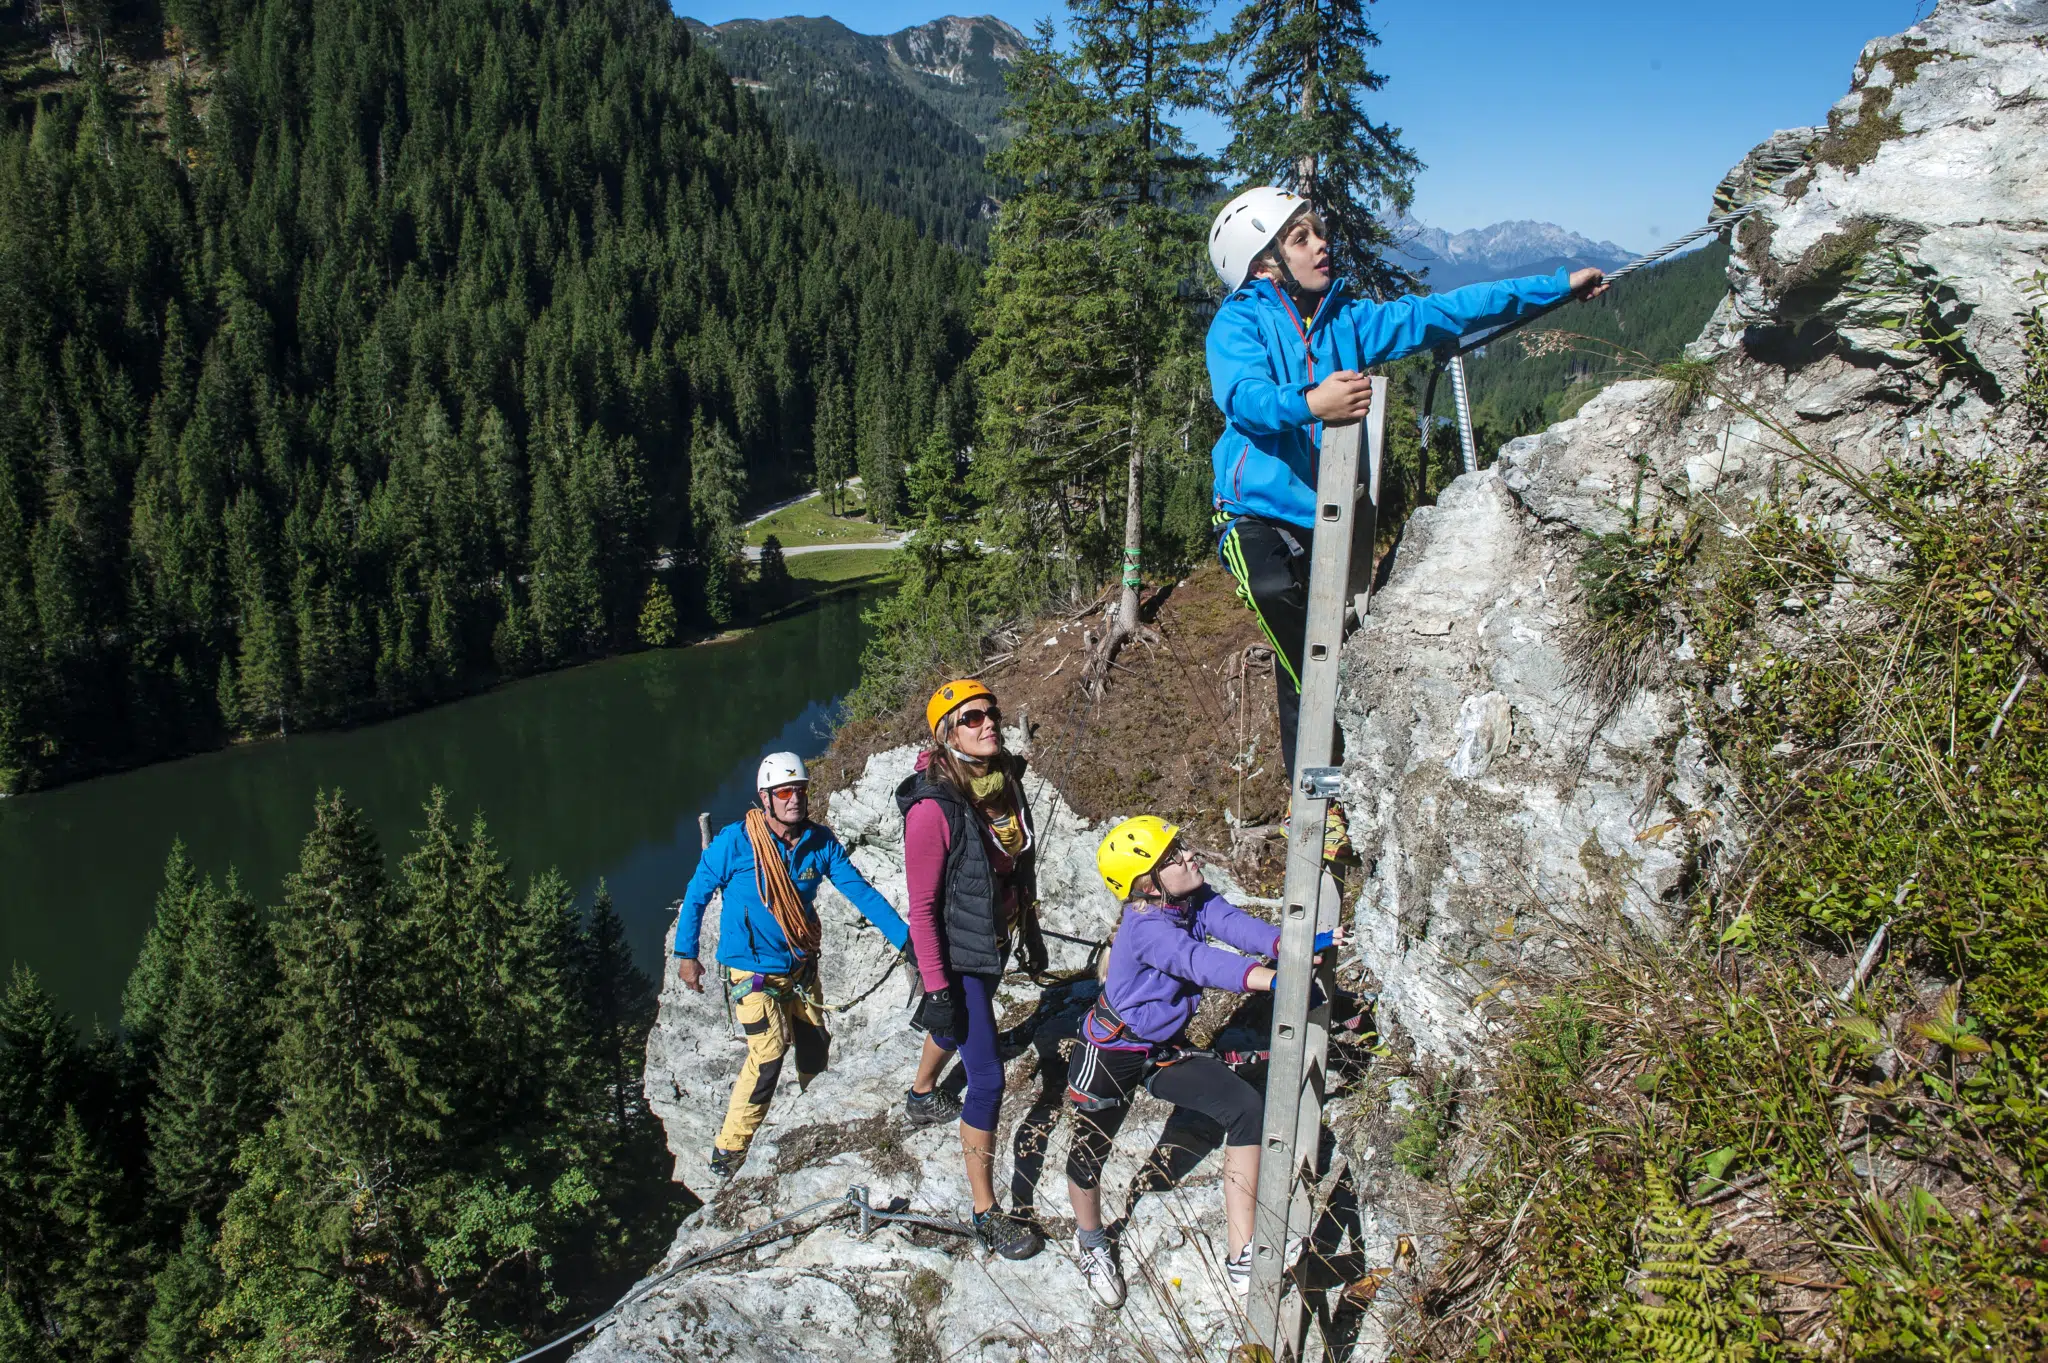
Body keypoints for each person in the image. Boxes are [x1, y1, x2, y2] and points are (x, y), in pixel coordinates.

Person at [1205, 186, 1609, 859]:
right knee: (1290, 624)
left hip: (1320, 518)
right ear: (1266, 260)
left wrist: (1558, 288)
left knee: (1312, 655)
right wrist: (1313, 400)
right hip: (1249, 516)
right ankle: (1314, 794)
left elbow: (1444, 312)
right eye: (1301, 237)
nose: (1321, 244)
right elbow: (1244, 397)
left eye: (1318, 232)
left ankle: (1320, 790)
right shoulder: (1238, 324)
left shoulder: (1348, 323)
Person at [1063, 815, 1337, 1306]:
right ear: (1146, 886)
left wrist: (1286, 946)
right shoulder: (1145, 927)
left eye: (1181, 845)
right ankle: (1090, 1242)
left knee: (1244, 1108)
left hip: (1162, 1048)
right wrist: (1273, 978)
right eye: (1172, 856)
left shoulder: (1192, 899)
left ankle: (1243, 1254)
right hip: (1111, 1051)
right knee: (1089, 1154)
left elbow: (1232, 925)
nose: (1189, 855)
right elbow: (1198, 961)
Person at [673, 752, 910, 1178]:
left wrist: (906, 940)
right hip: (753, 972)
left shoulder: (819, 843)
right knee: (767, 1056)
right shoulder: (736, 842)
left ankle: (810, 1112)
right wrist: (686, 955)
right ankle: (729, 1150)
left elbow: (860, 891)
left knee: (815, 1041)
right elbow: (696, 895)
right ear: (765, 798)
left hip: (800, 966)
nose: (795, 799)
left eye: (800, 790)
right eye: (785, 792)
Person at [896, 679, 1050, 1260]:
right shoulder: (934, 809)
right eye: (972, 719)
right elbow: (923, 910)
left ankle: (920, 1092)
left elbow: (1015, 867)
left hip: (990, 940)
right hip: (955, 955)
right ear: (946, 733)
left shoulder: (999, 783)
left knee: (956, 1026)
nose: (989, 724)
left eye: (992, 713)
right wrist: (936, 987)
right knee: (986, 1079)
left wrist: (1026, 933)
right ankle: (986, 1213)